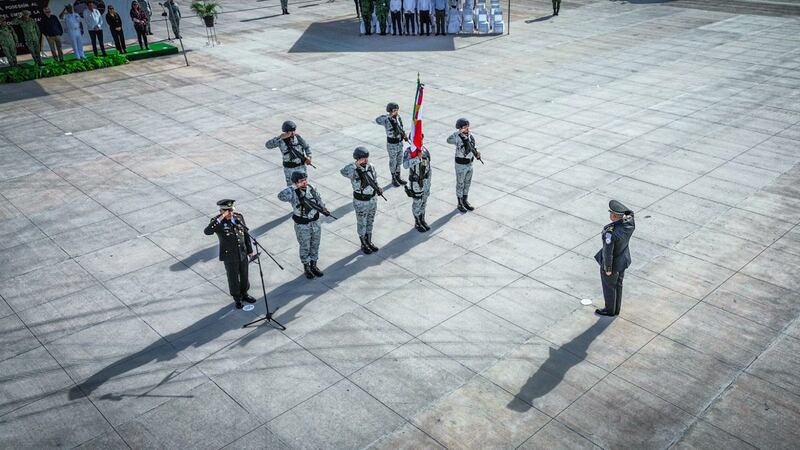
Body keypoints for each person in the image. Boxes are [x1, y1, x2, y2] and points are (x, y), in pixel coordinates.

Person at [203, 199, 257, 310]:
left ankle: (245, 293)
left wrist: (250, 250)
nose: (230, 213)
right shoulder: (217, 222)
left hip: (242, 252)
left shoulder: (238, 217)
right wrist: (221, 218)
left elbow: (245, 234)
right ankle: (237, 298)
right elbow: (207, 231)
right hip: (229, 254)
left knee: (244, 274)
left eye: (231, 210)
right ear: (221, 211)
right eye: (226, 211)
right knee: (233, 277)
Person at [278, 172, 328, 279]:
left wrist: (324, 208)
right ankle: (307, 267)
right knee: (305, 246)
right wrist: (293, 187)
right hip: (302, 225)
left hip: (315, 222)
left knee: (315, 244)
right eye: (301, 181)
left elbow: (319, 200)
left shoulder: (311, 188)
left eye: (305, 180)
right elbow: (280, 196)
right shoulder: (293, 192)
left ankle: (314, 265)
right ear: (296, 183)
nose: (304, 182)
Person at [594, 200, 635, 316]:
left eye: (611, 212)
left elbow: (608, 253)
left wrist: (607, 269)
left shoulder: (610, 234)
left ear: (614, 216)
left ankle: (610, 310)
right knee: (618, 285)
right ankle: (616, 308)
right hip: (623, 260)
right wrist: (623, 212)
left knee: (609, 288)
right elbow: (630, 213)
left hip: (613, 264)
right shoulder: (630, 224)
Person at [341, 147, 382, 255]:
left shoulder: (370, 166)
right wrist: (356, 164)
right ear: (358, 158)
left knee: (370, 220)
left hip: (372, 199)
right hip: (361, 201)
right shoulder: (352, 169)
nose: (366, 160)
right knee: (362, 222)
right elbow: (343, 172)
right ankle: (363, 243)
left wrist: (378, 188)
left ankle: (369, 240)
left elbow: (374, 179)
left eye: (366, 158)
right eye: (363, 158)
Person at [447, 118, 481, 212]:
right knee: (460, 184)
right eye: (465, 127)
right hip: (460, 165)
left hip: (469, 163)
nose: (467, 128)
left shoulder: (470, 136)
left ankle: (465, 200)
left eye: (467, 126)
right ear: (460, 128)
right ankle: (460, 203)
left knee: (467, 183)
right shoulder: (457, 137)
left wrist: (477, 152)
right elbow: (448, 140)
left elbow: (473, 146)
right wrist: (458, 132)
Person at [265, 121, 313, 186]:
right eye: (290, 131)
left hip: (301, 167)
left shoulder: (298, 138)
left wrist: (309, 157)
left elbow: (306, 147)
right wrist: (280, 137)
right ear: (286, 131)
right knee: (292, 188)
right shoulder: (280, 140)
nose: (293, 133)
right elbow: (268, 145)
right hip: (290, 169)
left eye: (294, 130)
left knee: (303, 186)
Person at [375, 102, 408, 187]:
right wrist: (388, 116)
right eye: (394, 110)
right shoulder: (386, 119)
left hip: (399, 143)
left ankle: (398, 176)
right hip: (392, 144)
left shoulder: (398, 117)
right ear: (390, 111)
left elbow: (401, 128)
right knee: (393, 161)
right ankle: (393, 178)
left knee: (399, 160)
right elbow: (377, 120)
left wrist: (404, 135)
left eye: (397, 110)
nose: (396, 111)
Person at [403, 145, 432, 232]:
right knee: (417, 202)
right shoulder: (409, 151)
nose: (420, 141)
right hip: (416, 182)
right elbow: (405, 165)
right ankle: (417, 222)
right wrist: (417, 158)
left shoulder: (424, 149)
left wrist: (428, 180)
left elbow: (427, 166)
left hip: (425, 180)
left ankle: (422, 219)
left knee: (424, 200)